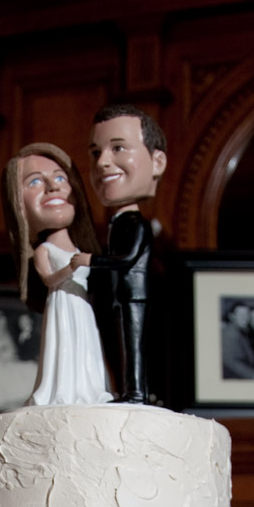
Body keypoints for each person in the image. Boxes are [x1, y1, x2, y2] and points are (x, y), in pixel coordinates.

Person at [1, 142, 112, 406]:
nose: (53, 187)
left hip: (81, 306)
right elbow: (50, 280)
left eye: (61, 177)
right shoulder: (45, 250)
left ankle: (90, 389)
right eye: (35, 182)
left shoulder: (78, 247)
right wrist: (70, 268)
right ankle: (61, 391)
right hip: (62, 304)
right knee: (64, 347)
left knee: (85, 347)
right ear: (17, 204)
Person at [70, 103, 167, 404]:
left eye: (118, 148)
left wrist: (92, 261)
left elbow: (127, 260)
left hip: (133, 296)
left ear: (158, 162)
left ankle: (136, 392)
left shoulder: (137, 224)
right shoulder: (118, 222)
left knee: (134, 346)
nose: (102, 163)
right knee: (122, 345)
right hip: (119, 297)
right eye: (96, 153)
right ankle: (127, 390)